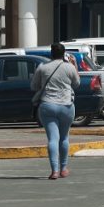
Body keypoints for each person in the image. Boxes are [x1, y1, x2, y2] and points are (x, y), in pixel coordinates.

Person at [31, 42, 80, 180]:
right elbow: (77, 84)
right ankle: (64, 168)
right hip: (66, 106)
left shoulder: (42, 67)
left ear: (51, 54)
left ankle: (55, 171)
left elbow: (34, 86)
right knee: (64, 137)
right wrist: (74, 65)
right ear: (63, 54)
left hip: (47, 105)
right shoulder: (69, 67)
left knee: (53, 138)